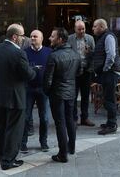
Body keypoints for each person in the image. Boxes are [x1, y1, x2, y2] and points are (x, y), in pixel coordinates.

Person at [0, 23, 36, 170]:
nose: (24, 39)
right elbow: (28, 75)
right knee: (14, 129)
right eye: (22, 36)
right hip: (15, 97)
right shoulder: (18, 53)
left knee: (0, 126)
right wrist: (34, 70)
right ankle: (8, 160)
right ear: (15, 37)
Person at [44, 28, 81, 163]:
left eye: (52, 36)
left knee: (60, 123)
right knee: (70, 119)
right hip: (70, 91)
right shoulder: (75, 54)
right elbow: (79, 72)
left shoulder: (53, 56)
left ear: (60, 39)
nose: (50, 38)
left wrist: (47, 91)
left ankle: (63, 154)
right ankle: (71, 148)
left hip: (57, 93)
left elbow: (48, 79)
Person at [21, 30, 52, 153]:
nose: (32, 38)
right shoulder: (25, 53)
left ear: (42, 38)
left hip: (43, 89)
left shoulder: (49, 52)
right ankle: (23, 143)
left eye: (35, 36)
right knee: (25, 117)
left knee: (44, 117)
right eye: (31, 36)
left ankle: (43, 142)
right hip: (28, 88)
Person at [92, 18, 120, 135]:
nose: (93, 28)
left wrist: (105, 69)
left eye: (95, 26)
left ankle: (112, 125)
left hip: (110, 72)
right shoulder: (102, 37)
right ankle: (110, 122)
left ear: (101, 27)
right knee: (107, 98)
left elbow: (111, 55)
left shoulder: (108, 36)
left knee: (109, 100)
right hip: (107, 72)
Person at [67, 20, 95, 127]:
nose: (81, 31)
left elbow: (94, 55)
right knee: (73, 96)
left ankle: (85, 118)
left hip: (86, 71)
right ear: (75, 29)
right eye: (79, 29)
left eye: (83, 29)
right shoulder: (70, 39)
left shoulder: (90, 38)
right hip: (74, 72)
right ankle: (74, 118)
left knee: (85, 96)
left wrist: (90, 54)